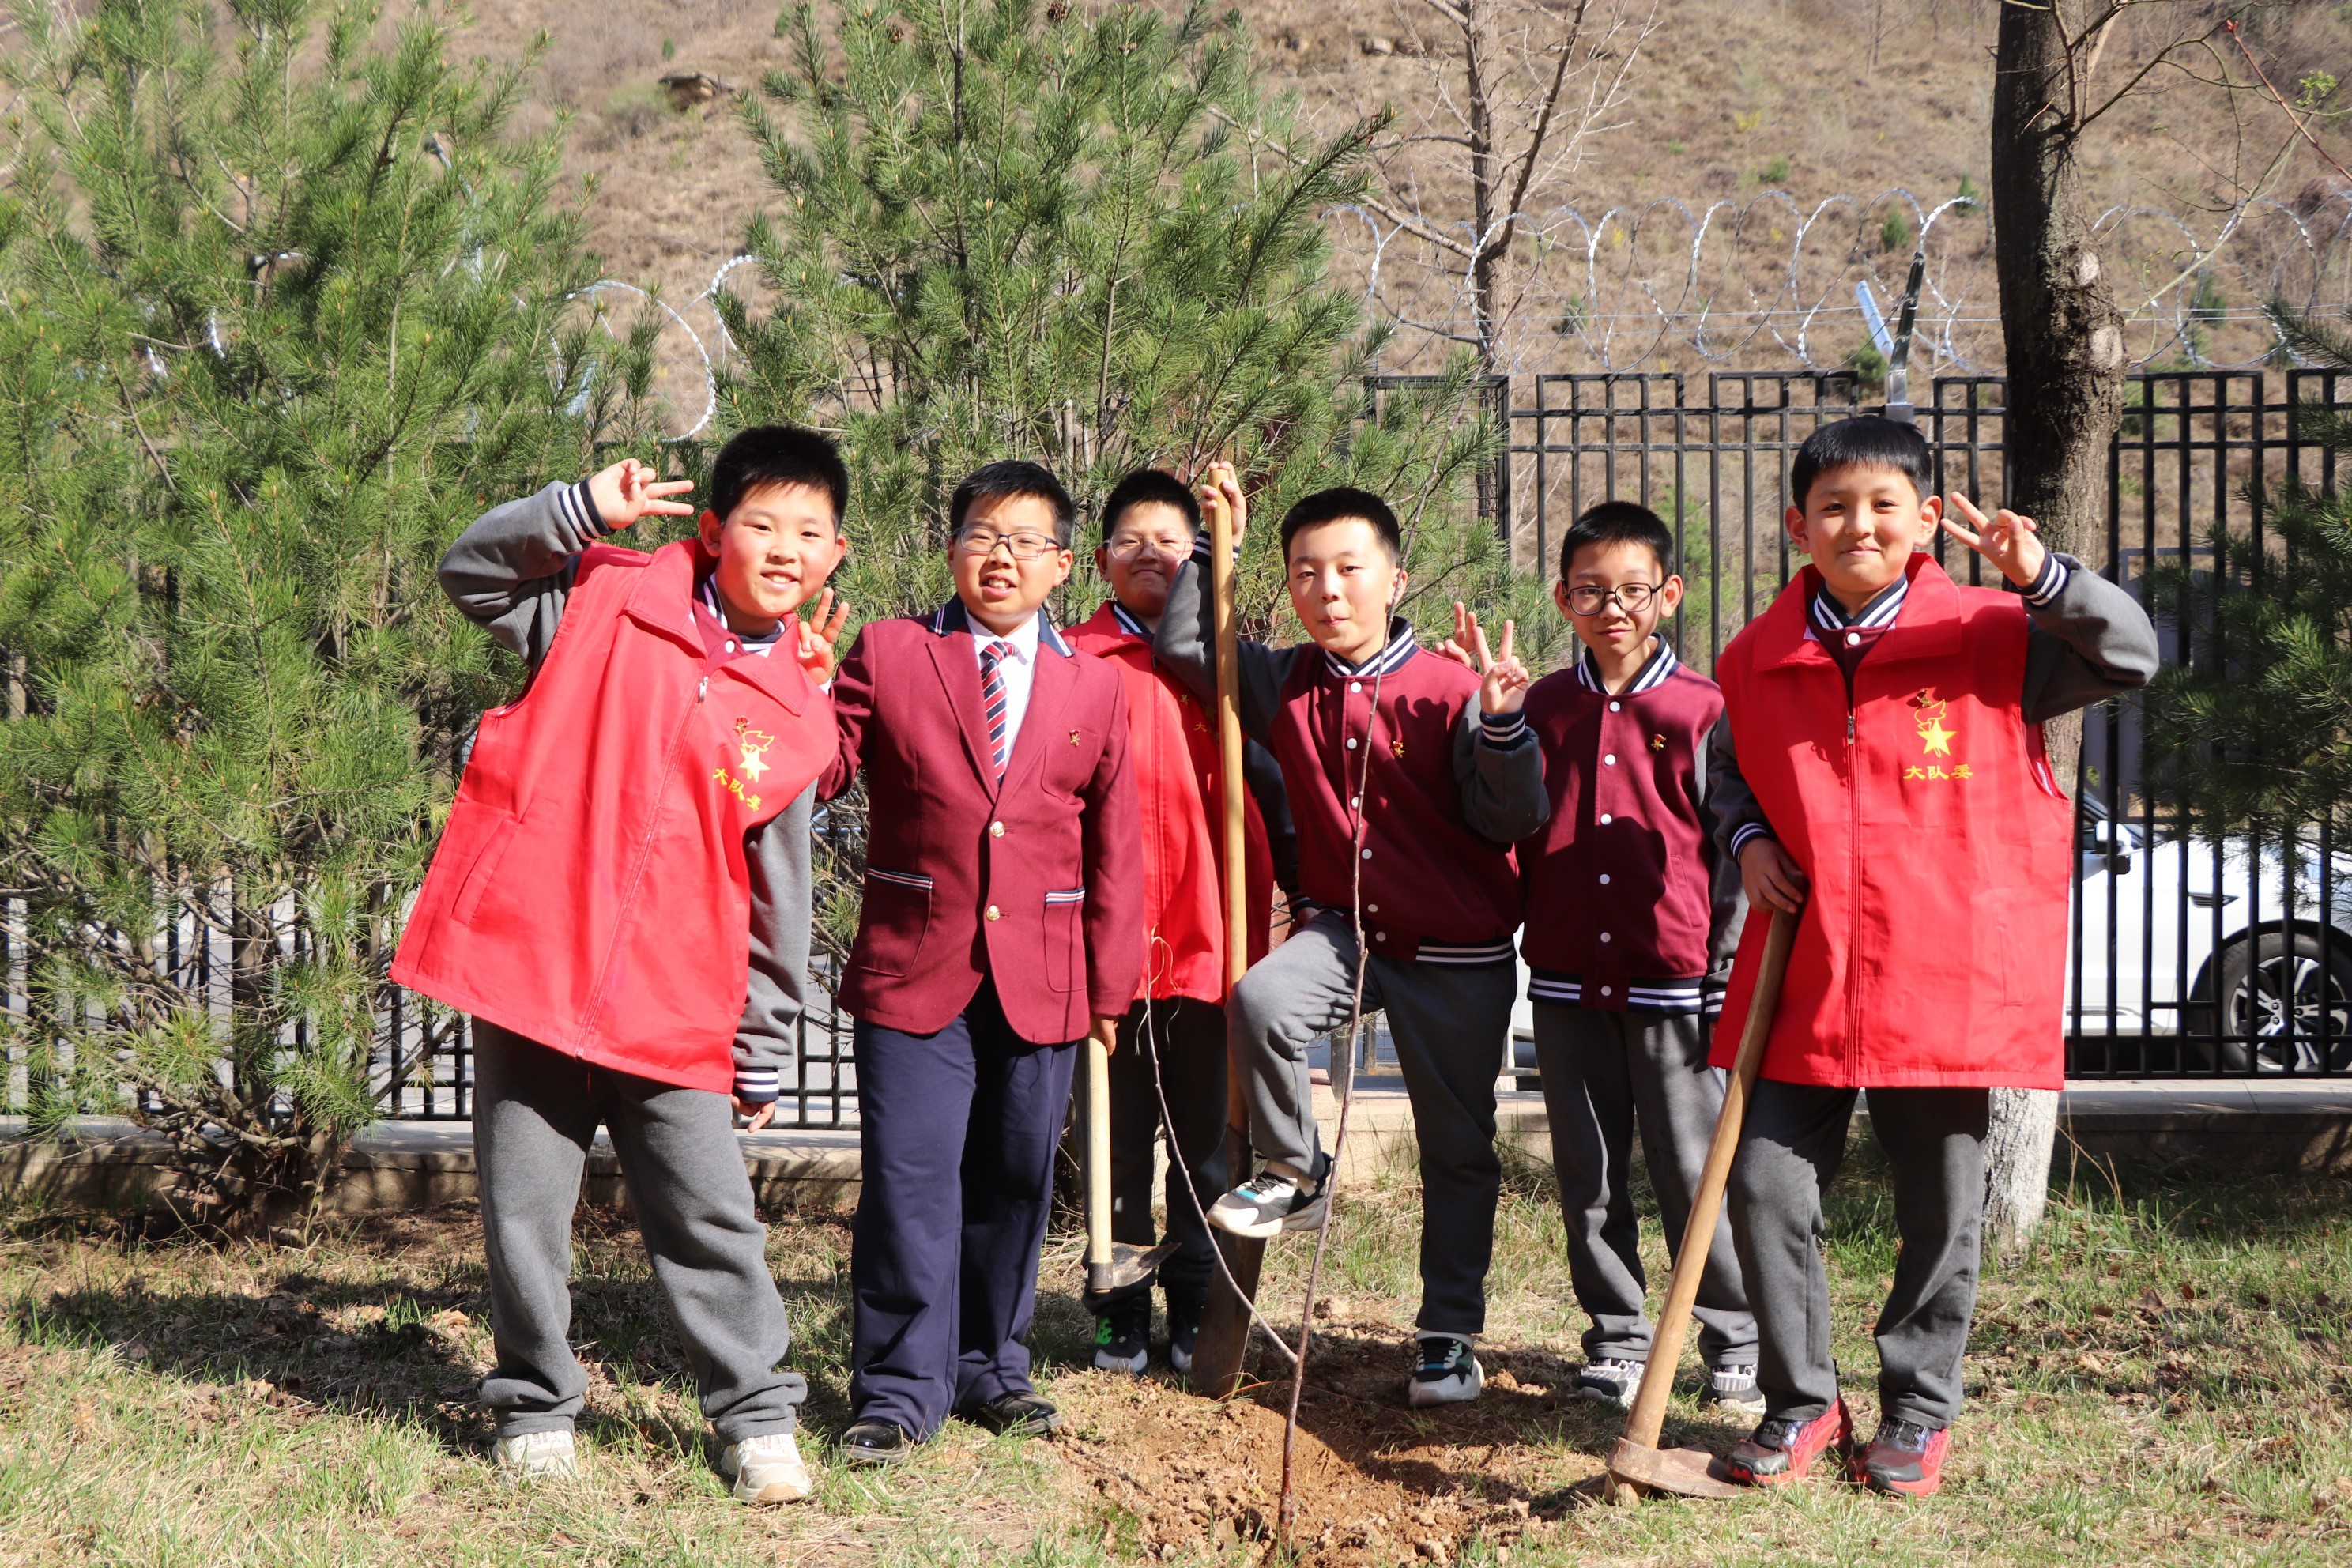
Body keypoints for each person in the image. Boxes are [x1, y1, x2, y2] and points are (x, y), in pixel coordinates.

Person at [390, 425, 854, 1503]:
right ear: (711, 530)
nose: (786, 549)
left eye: (811, 534)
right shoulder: (598, 597)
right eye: (763, 524)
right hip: (535, 966)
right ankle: (535, 1406)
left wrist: (765, 1044)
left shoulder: (798, 714)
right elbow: (468, 571)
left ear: (834, 558)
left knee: (710, 1217)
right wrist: (577, 509)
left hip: (674, 999)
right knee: (525, 1214)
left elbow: (782, 905)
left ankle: (755, 1420)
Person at [1709, 415, 2158, 1497]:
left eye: (1881, 506)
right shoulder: (1755, 656)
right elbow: (1730, 773)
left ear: (1922, 523)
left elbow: (2133, 653)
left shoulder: (2000, 636)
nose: (1856, 524)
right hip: (1805, 966)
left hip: (1938, 970)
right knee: (1764, 1184)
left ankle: (1918, 1411)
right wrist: (1748, 839)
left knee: (1938, 1206)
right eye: (1833, 507)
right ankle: (1803, 1404)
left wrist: (2042, 575)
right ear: (1795, 526)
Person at [1155, 467, 1547, 1408]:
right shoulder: (1281, 678)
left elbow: (1512, 820)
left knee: (1457, 1148)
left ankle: (1448, 1335)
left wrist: (1500, 728)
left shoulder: (1452, 687)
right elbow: (1182, 645)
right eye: (1304, 573)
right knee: (1262, 998)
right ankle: (1299, 1164)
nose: (1326, 591)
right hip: (1343, 932)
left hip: (1457, 951)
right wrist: (1218, 542)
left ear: (1394, 579)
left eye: (1347, 569)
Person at [820, 459, 1144, 1464]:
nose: (999, 557)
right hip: (916, 966)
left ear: (1059, 562)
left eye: (1023, 540)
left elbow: (1116, 846)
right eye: (980, 535)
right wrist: (791, 689)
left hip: (1043, 974)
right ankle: (897, 1387)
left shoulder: (1099, 682)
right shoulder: (891, 651)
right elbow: (824, 770)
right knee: (910, 1178)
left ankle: (990, 1366)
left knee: (1013, 1180)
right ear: (951, 547)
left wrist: (1112, 981)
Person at [1449, 501, 1761, 1416]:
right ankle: (1617, 1338)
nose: (1612, 607)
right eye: (1591, 590)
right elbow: (1502, 821)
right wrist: (1498, 725)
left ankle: (1734, 1338)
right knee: (1588, 1176)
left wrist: (1721, 970)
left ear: (1667, 594)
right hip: (1564, 982)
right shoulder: (1540, 705)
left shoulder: (1703, 710)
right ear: (1562, 597)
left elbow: (1734, 851)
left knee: (1691, 1172)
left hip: (1675, 988)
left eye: (1631, 590)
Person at [1065, 468, 1279, 1378]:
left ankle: (1196, 1290)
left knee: (1205, 1129)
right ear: (1101, 559)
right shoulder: (1072, 659)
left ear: (1200, 552)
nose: (1151, 553)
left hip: (1208, 928)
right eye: (1131, 540)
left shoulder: (1229, 659)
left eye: (1172, 539)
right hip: (1104, 934)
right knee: (1112, 1129)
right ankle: (1117, 1301)